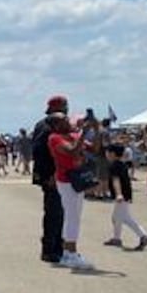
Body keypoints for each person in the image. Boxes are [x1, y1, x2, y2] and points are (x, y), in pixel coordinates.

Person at [47, 113, 94, 269]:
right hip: (67, 180)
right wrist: (83, 132)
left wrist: (97, 129)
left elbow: (95, 148)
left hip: (75, 179)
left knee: (74, 216)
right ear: (56, 125)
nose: (68, 121)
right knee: (72, 217)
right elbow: (72, 151)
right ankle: (71, 254)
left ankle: (68, 253)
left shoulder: (72, 134)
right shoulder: (55, 138)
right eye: (64, 120)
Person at [30, 96, 68, 263]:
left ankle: (58, 248)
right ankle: (50, 249)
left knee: (60, 213)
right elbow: (39, 152)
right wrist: (49, 174)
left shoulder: (52, 125)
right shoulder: (46, 126)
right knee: (54, 213)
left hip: (57, 175)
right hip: (51, 176)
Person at [103, 143, 147, 250]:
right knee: (117, 217)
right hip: (125, 194)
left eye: (107, 152)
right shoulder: (121, 164)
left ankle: (144, 236)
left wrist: (119, 194)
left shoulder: (114, 165)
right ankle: (117, 238)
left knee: (125, 218)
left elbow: (116, 180)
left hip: (122, 195)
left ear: (112, 154)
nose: (106, 154)